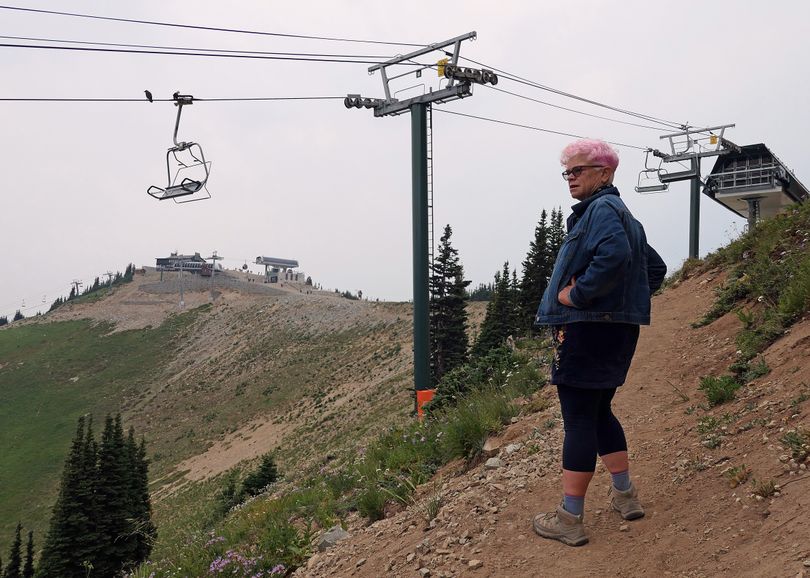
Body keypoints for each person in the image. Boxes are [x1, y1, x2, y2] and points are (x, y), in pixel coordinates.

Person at [532, 139, 667, 547]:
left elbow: (615, 255)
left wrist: (580, 296)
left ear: (604, 173)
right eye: (567, 172)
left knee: (577, 418)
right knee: (600, 410)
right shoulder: (625, 215)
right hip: (615, 332)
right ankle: (625, 495)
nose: (570, 179)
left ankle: (570, 517)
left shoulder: (601, 211)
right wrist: (624, 304)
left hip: (587, 330)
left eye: (578, 171)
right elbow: (654, 267)